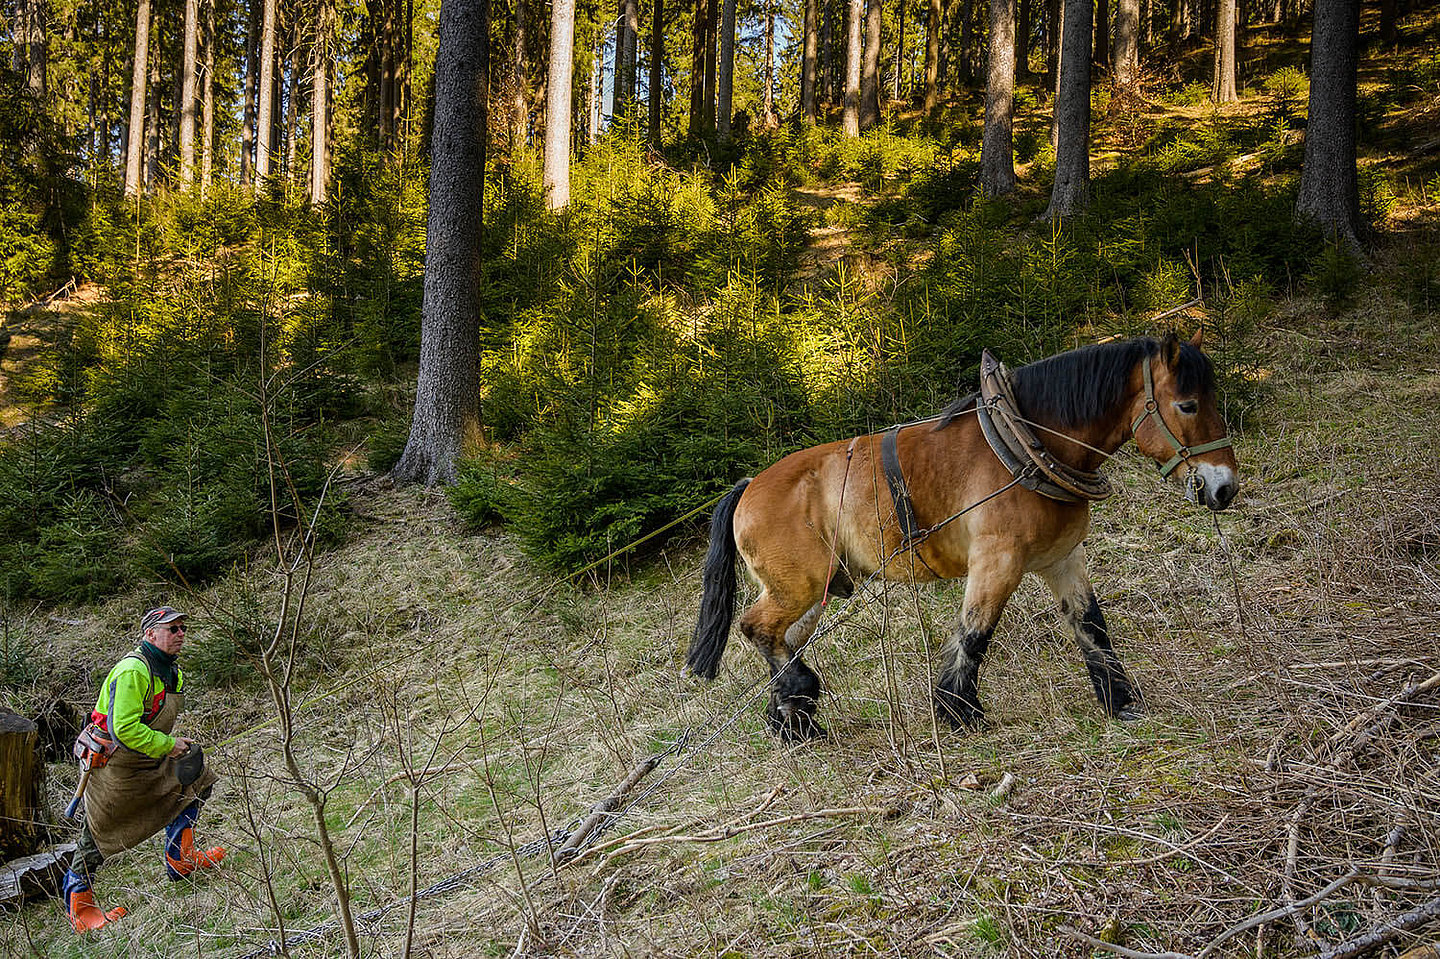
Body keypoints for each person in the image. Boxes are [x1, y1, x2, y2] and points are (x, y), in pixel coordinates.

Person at [61, 606, 225, 934]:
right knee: (98, 834)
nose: (180, 634)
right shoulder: (134, 670)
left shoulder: (169, 670)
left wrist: (170, 747)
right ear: (150, 634)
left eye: (182, 628)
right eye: (171, 629)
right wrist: (167, 745)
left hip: (145, 758)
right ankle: (79, 907)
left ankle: (181, 857)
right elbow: (123, 728)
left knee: (196, 775)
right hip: (116, 767)